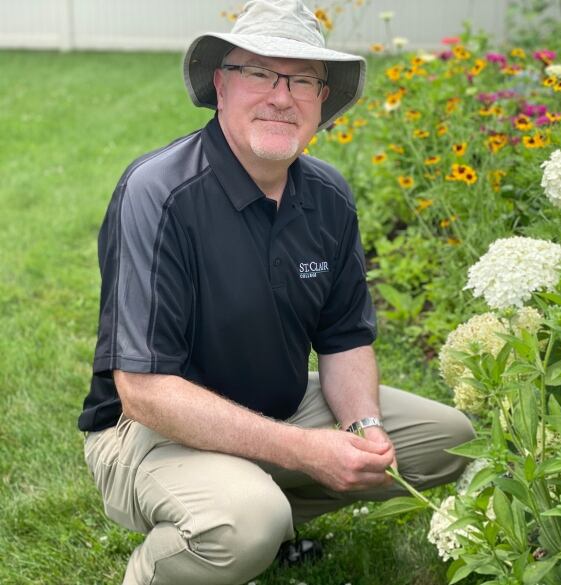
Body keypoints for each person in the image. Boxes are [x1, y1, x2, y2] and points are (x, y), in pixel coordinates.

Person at [77, 1, 475, 583]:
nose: (281, 96)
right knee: (245, 525)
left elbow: (342, 339)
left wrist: (364, 430)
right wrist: (306, 451)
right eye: (259, 73)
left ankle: (255, 501)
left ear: (322, 100)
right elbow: (143, 392)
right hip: (144, 432)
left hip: (277, 406)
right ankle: (204, 541)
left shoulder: (328, 197)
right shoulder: (160, 193)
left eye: (303, 80)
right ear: (220, 84)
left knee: (451, 441)